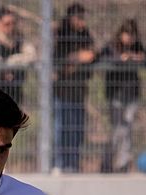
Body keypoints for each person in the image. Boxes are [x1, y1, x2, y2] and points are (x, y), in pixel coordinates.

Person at [100, 19, 146, 173]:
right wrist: (120, 59)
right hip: (116, 94)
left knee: (127, 129)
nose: (130, 38)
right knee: (119, 129)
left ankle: (122, 163)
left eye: (132, 35)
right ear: (121, 34)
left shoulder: (137, 47)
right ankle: (107, 161)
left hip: (132, 94)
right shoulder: (112, 46)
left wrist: (139, 57)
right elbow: (101, 58)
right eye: (127, 34)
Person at [52, 3, 96, 173]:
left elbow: (93, 55)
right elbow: (57, 62)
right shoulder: (62, 34)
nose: (82, 21)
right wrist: (78, 58)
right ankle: (59, 163)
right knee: (61, 128)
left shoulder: (85, 34)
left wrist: (89, 56)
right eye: (79, 18)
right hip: (62, 90)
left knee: (77, 130)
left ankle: (73, 164)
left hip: (79, 90)